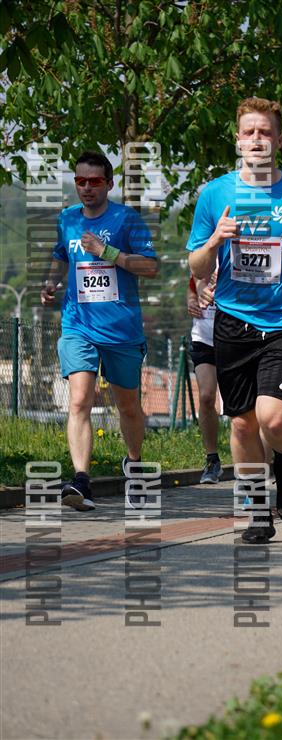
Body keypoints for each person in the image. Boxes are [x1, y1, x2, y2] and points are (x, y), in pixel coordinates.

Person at [187, 96, 282, 544]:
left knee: (274, 418)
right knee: (243, 423)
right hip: (232, 320)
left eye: (265, 132)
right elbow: (196, 266)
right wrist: (214, 241)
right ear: (237, 139)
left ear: (280, 140)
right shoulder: (215, 193)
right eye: (249, 132)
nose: (257, 139)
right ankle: (258, 512)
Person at [41, 150, 158, 511]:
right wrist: (51, 282)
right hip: (79, 324)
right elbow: (62, 255)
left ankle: (134, 465)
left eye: (94, 181)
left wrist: (107, 251)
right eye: (80, 181)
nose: (87, 187)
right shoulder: (67, 218)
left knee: (128, 407)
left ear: (109, 183)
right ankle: (81, 481)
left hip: (122, 329)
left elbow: (150, 267)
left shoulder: (127, 219)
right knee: (79, 399)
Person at [187, 273, 223, 483]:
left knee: (240, 410)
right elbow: (192, 284)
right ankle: (212, 459)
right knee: (206, 396)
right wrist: (191, 300)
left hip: (235, 337)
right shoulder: (202, 256)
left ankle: (251, 465)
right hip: (203, 336)